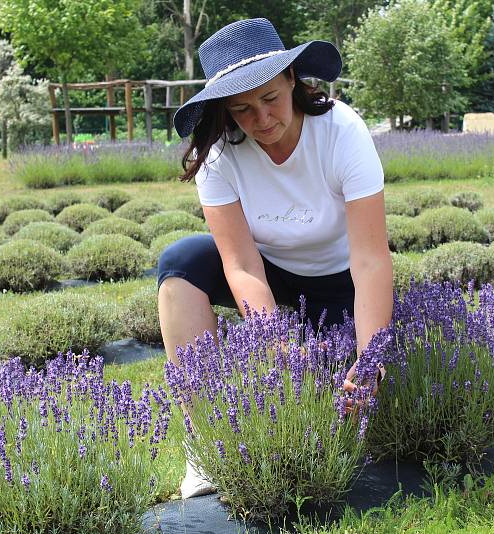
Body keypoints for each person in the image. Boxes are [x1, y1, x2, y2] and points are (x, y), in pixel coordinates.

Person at [158, 17, 393, 498]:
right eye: (242, 110)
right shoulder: (219, 155)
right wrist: (274, 341)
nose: (261, 120)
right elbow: (241, 266)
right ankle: (206, 440)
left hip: (342, 280)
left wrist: (371, 356)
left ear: (292, 80)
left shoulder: (342, 132)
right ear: (225, 110)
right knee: (179, 263)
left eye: (270, 99)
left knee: (355, 391)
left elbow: (370, 259)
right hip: (272, 273)